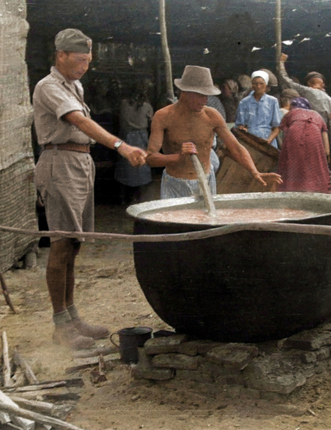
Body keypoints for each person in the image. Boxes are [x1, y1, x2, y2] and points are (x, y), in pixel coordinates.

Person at [33, 28, 147, 350]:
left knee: (76, 244)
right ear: (61, 56)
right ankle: (60, 325)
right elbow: (79, 123)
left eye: (88, 61)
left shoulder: (75, 86)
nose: (84, 66)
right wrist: (121, 146)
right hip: (60, 162)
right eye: (80, 60)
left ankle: (72, 316)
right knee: (62, 242)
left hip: (81, 163)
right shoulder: (49, 87)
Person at [146, 65, 281, 199]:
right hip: (174, 184)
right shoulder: (163, 116)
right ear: (184, 92)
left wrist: (254, 172)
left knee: (205, 219)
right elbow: (151, 158)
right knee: (175, 220)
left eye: (206, 96)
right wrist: (178, 157)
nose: (205, 100)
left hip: (205, 181)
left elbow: (236, 148)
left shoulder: (211, 115)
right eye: (200, 96)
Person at [277, 53, 331, 147]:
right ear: (323, 84)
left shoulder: (308, 91)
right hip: (323, 137)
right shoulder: (330, 100)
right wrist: (330, 143)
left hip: (309, 135)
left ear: (309, 83)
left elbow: (286, 80)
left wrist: (281, 63)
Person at [276, 97, 330, 193]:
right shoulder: (317, 115)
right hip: (315, 137)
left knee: (291, 163)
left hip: (294, 134)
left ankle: (290, 189)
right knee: (315, 165)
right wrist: (325, 155)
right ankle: (316, 190)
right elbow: (326, 147)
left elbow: (282, 134)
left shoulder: (290, 113)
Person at [114, 87, 154, 203]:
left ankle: (125, 197)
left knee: (125, 164)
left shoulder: (123, 103)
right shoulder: (147, 106)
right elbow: (151, 120)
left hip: (126, 136)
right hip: (141, 136)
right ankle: (139, 196)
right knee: (141, 163)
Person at [235, 70, 282, 147]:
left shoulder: (273, 101)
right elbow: (240, 125)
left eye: (261, 83)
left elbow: (277, 127)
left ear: (266, 85)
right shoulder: (244, 102)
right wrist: (243, 130)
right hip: (250, 141)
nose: (258, 86)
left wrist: (268, 141)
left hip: (268, 141)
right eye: (255, 84)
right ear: (251, 85)